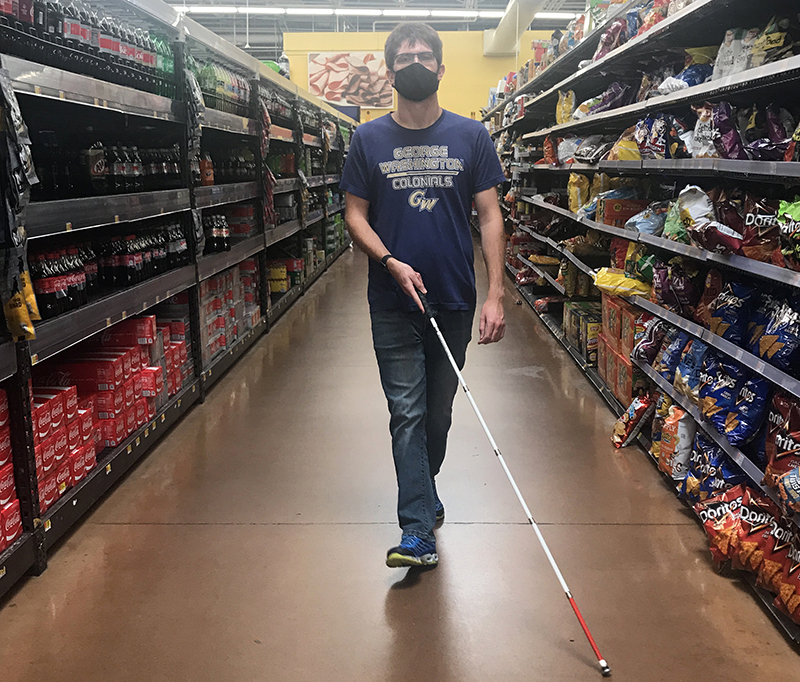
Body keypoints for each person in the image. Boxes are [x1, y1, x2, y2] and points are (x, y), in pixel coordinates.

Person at [341, 22, 506, 568]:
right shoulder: (367, 139)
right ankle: (416, 531)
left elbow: (489, 215)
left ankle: (424, 490)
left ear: (440, 66)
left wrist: (495, 294)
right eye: (404, 55)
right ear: (390, 70)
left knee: (437, 416)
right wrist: (389, 261)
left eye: (424, 54)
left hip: (454, 296)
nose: (414, 62)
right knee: (407, 412)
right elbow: (354, 215)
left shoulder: (471, 137)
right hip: (391, 301)